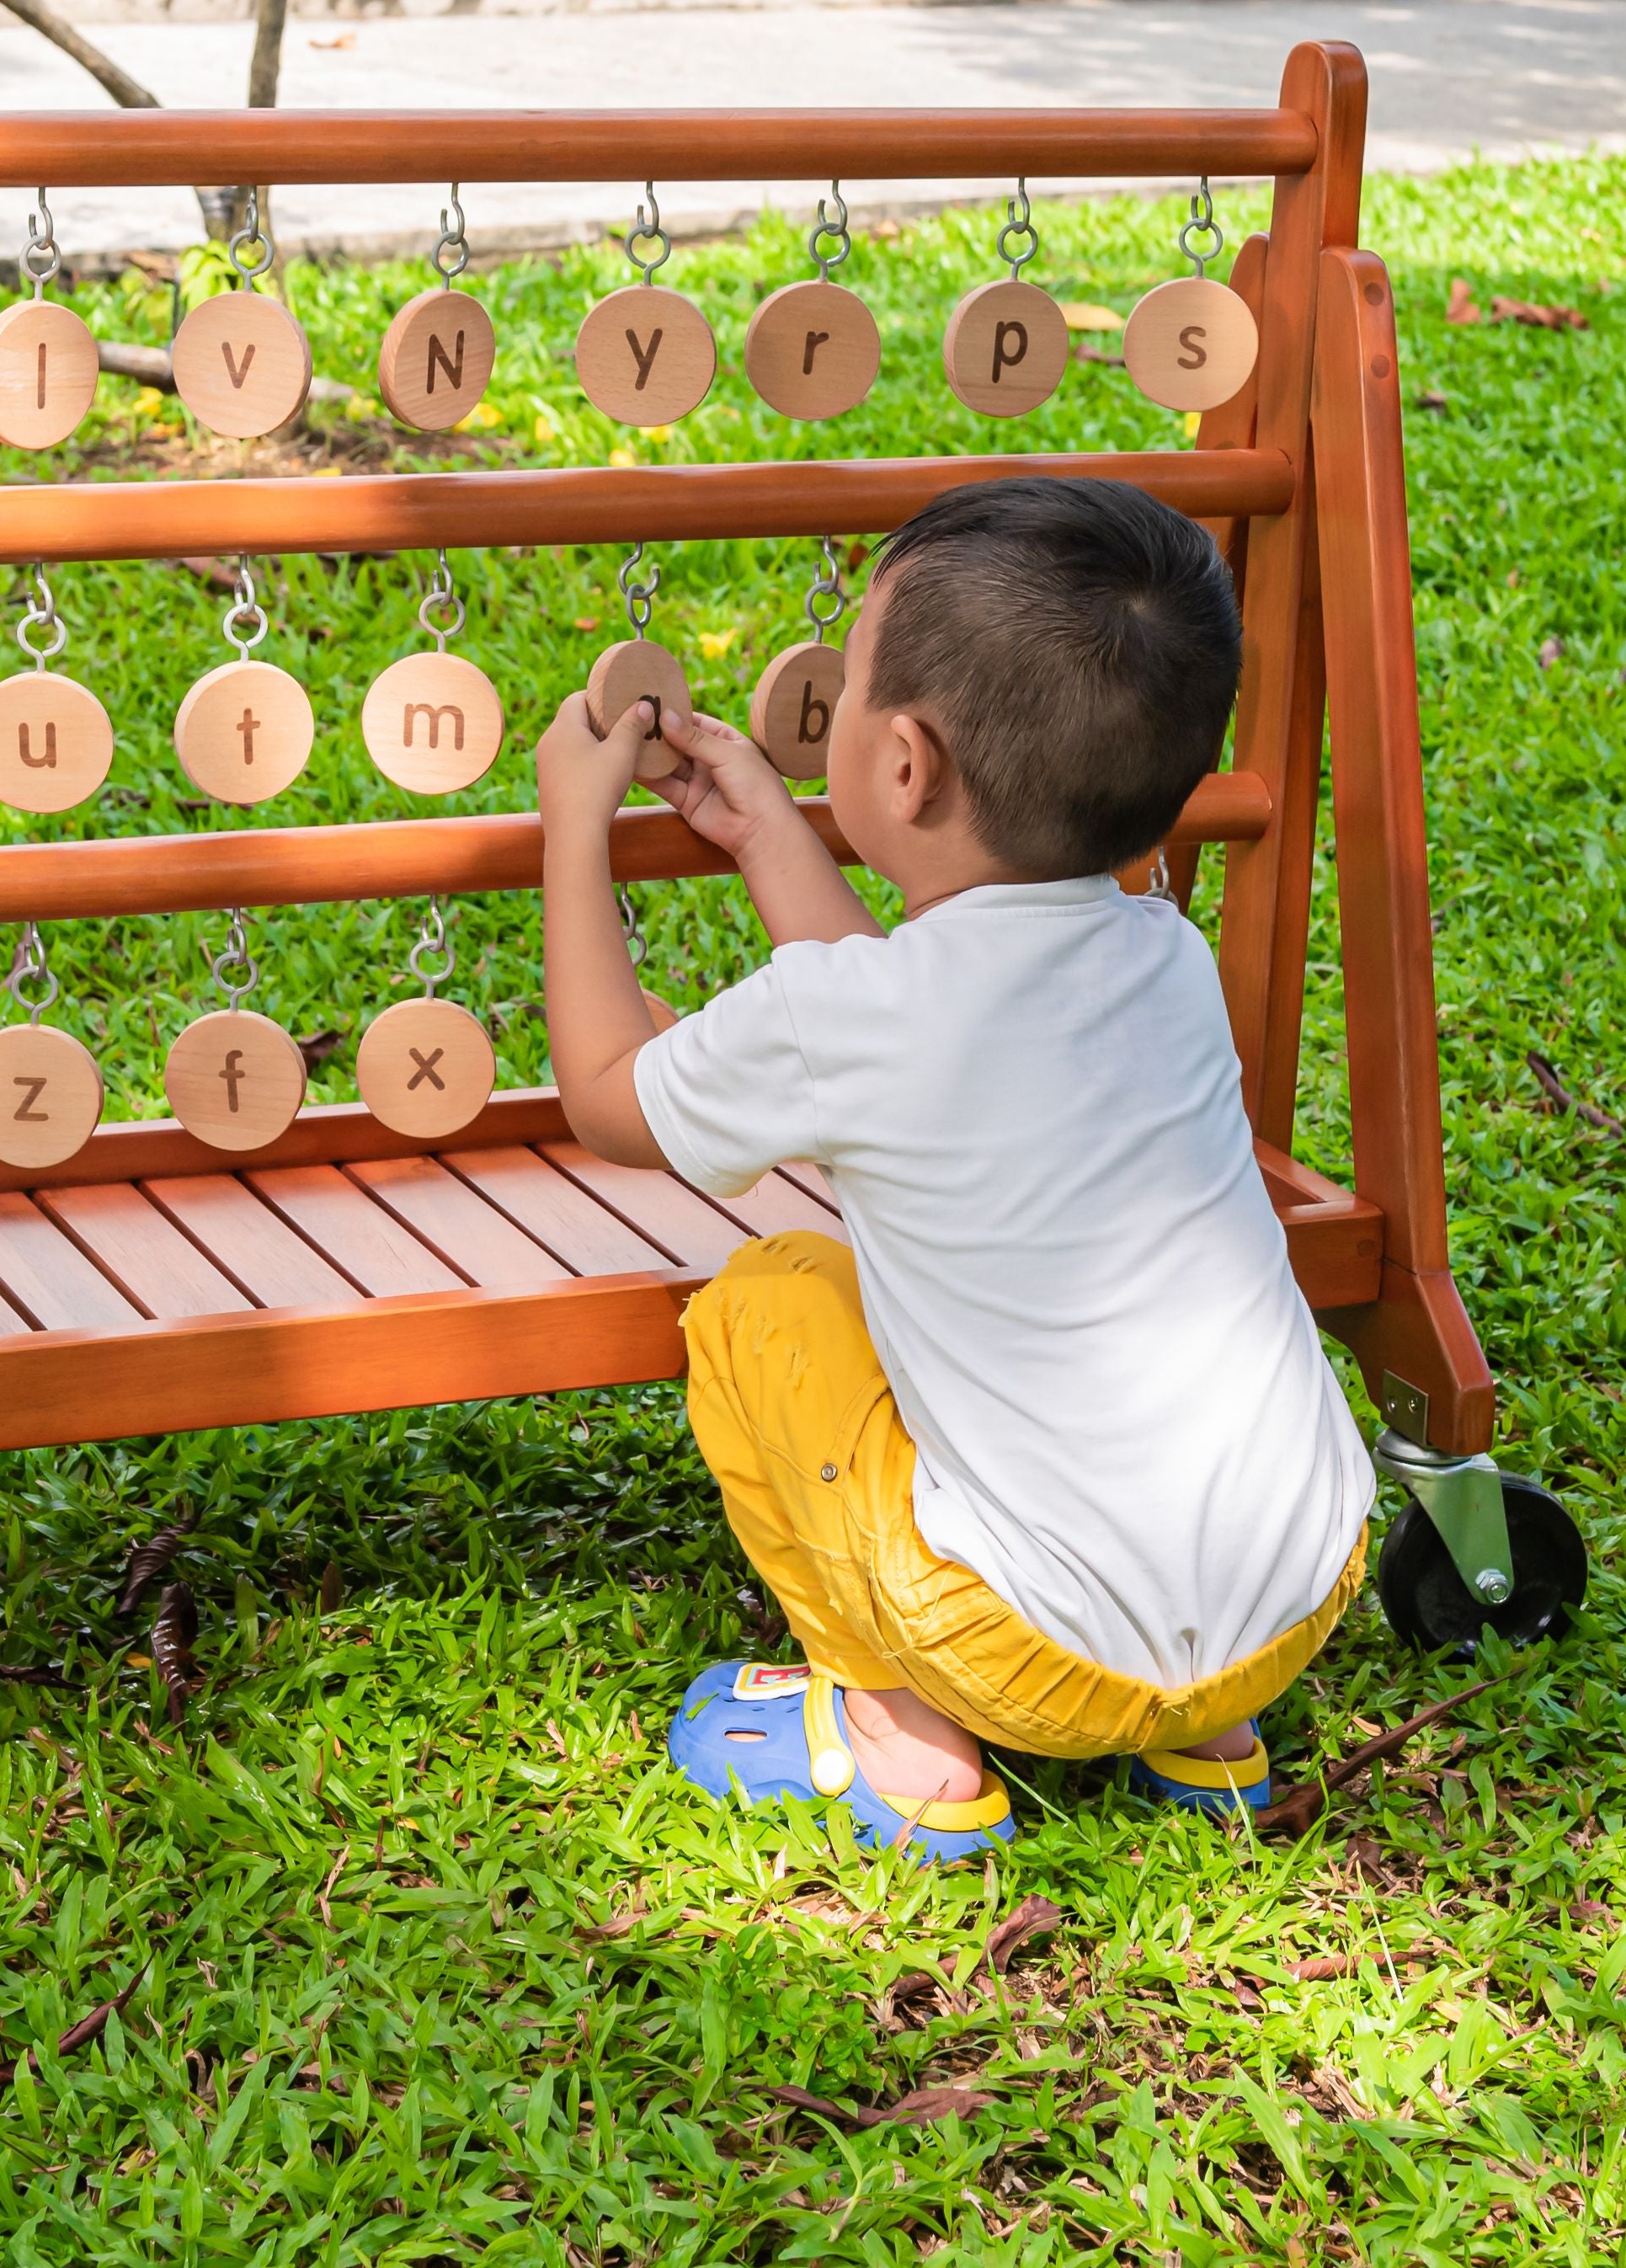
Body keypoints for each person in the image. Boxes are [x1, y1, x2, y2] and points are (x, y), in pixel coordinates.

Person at [534, 478, 1375, 1859]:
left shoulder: (858, 1021)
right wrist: (769, 832)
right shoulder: (1161, 952)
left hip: (1016, 1651)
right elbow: (896, 997)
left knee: (767, 1299)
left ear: (906, 766)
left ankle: (903, 1741)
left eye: (852, 679)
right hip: (1295, 1598)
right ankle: (1208, 1740)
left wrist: (573, 829)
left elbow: (608, 1100)